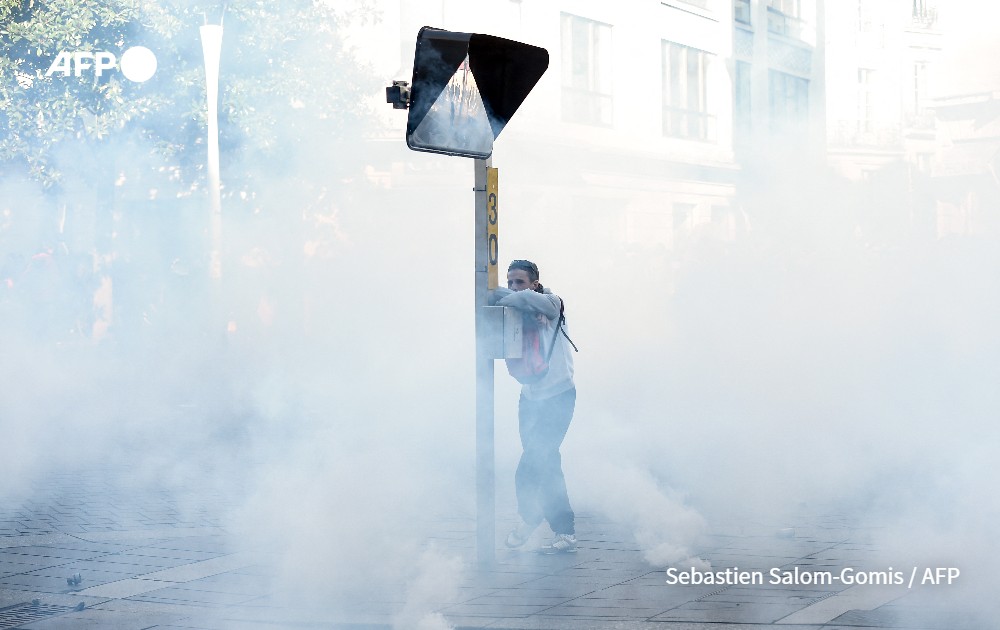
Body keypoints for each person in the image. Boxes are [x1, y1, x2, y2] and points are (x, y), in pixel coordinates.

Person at [495, 259, 578, 553]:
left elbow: (532, 301)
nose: (514, 288)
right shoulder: (515, 310)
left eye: (520, 282)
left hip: (559, 395)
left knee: (531, 464)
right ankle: (564, 531)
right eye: (510, 282)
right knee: (547, 463)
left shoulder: (552, 303)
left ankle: (530, 519)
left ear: (535, 283)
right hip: (530, 399)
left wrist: (503, 295)